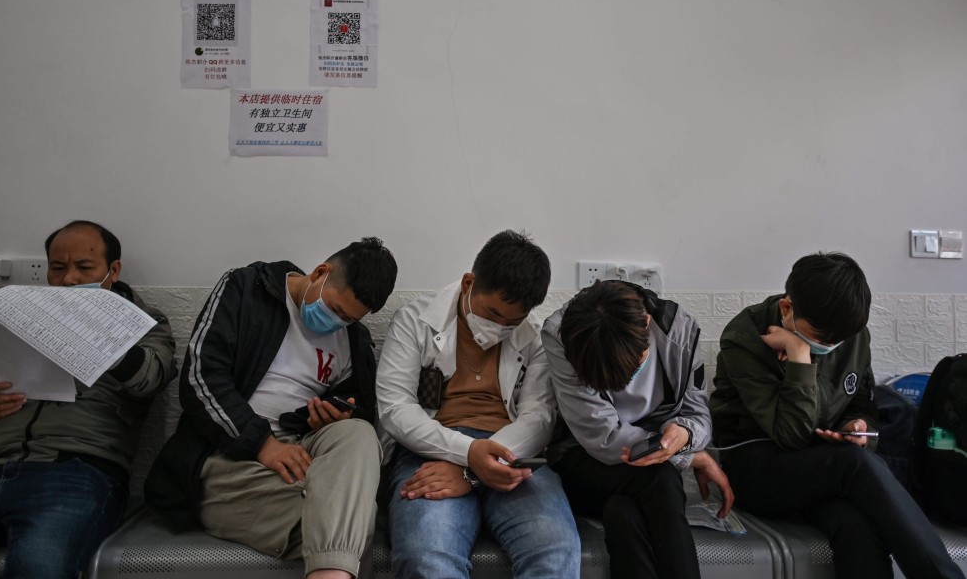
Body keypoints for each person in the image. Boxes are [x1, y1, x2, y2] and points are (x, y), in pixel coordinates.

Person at [146, 237, 398, 579]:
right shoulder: (248, 288)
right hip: (230, 461)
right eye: (336, 310)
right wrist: (262, 444)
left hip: (302, 460)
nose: (337, 323)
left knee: (358, 433)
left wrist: (334, 416)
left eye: (349, 319)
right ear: (320, 273)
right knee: (355, 520)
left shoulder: (352, 340)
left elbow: (361, 413)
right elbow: (200, 377)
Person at [710, 252, 964, 579]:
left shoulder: (850, 331)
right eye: (819, 338)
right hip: (757, 468)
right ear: (787, 309)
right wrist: (801, 359)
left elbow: (863, 405)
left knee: (853, 521)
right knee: (854, 464)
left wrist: (858, 428)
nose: (831, 345)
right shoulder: (744, 338)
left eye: (838, 340)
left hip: (825, 467)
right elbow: (791, 435)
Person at [0, 220, 177, 577]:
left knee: (39, 569)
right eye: (57, 267)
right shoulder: (21, 318)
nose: (69, 279)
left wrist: (100, 338)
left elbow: (152, 377)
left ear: (112, 271)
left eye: (84, 268)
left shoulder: (143, 321)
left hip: (74, 474)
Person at [377, 230, 580, 579]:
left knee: (556, 551)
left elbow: (539, 419)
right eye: (491, 313)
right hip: (430, 450)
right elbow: (395, 408)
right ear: (469, 282)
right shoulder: (415, 320)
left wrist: (472, 472)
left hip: (515, 453)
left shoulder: (535, 336)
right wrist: (468, 453)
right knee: (426, 557)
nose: (499, 327)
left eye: (511, 322)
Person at [542, 278, 733, 579]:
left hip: (641, 481)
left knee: (624, 513)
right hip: (582, 460)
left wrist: (684, 433)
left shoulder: (679, 330)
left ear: (646, 324)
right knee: (660, 477)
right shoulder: (562, 335)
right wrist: (689, 456)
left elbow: (698, 414)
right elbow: (603, 437)